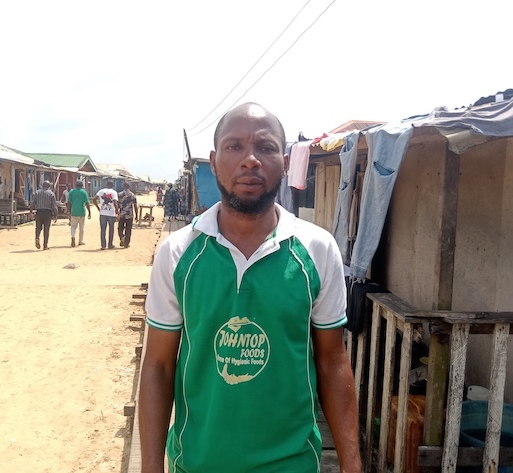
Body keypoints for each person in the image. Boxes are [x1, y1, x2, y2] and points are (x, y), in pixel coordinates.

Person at [139, 103, 361, 473]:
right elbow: (159, 366)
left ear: (286, 162)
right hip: (197, 463)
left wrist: (352, 466)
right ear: (213, 160)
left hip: (291, 465)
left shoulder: (317, 251)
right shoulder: (177, 253)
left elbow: (332, 360)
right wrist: (150, 468)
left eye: (266, 147)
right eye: (234, 146)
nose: (250, 160)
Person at [92, 179, 119, 250]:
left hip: (102, 213)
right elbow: (115, 203)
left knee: (103, 230)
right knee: (111, 229)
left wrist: (98, 208)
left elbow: (94, 199)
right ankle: (110, 244)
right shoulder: (114, 192)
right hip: (111, 214)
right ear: (112, 186)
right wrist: (117, 212)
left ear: (106, 185)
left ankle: (103, 245)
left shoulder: (101, 191)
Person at [31, 180, 57, 250]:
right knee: (46, 229)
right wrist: (55, 215)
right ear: (49, 186)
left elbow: (33, 203)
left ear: (42, 185)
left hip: (39, 212)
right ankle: (45, 246)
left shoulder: (37, 192)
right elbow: (54, 206)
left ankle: (37, 238)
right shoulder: (51, 194)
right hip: (48, 213)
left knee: (38, 227)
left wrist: (30, 212)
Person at [66, 180, 91, 247]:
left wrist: (68, 210)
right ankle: (80, 241)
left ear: (76, 185)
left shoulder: (72, 192)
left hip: (74, 211)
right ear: (82, 186)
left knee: (73, 227)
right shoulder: (84, 192)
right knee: (81, 228)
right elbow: (87, 203)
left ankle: (73, 236)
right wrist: (89, 212)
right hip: (82, 212)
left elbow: (69, 202)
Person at [117, 182, 138, 249]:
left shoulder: (119, 194)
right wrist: (137, 215)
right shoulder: (132, 195)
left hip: (122, 214)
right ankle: (126, 244)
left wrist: (117, 213)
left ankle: (122, 237)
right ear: (129, 187)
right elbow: (135, 206)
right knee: (128, 229)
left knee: (120, 228)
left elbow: (117, 205)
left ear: (123, 186)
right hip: (130, 214)